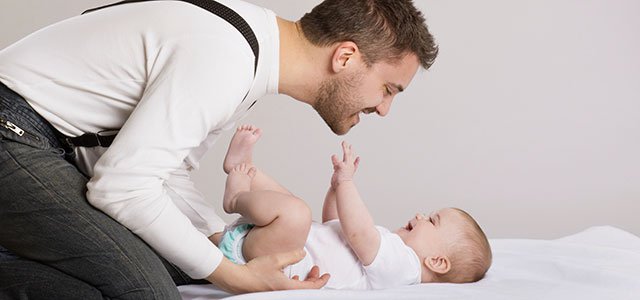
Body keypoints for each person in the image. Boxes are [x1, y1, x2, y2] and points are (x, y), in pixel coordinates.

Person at [0, 0, 438, 298]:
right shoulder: (226, 57)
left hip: (40, 145)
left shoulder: (248, 53)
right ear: (344, 56)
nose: (384, 109)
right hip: (12, 130)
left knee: (180, 263)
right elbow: (121, 187)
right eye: (387, 88)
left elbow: (164, 171)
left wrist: (215, 238)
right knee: (150, 293)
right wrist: (234, 275)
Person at [216, 125, 492, 289]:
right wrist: (336, 189)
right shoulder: (391, 248)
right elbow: (335, 224)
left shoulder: (404, 267)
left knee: (297, 212)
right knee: (292, 204)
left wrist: (347, 182)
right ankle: (245, 169)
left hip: (270, 260)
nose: (421, 215)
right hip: (272, 244)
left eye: (432, 221)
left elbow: (359, 232)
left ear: (437, 262)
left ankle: (236, 197)